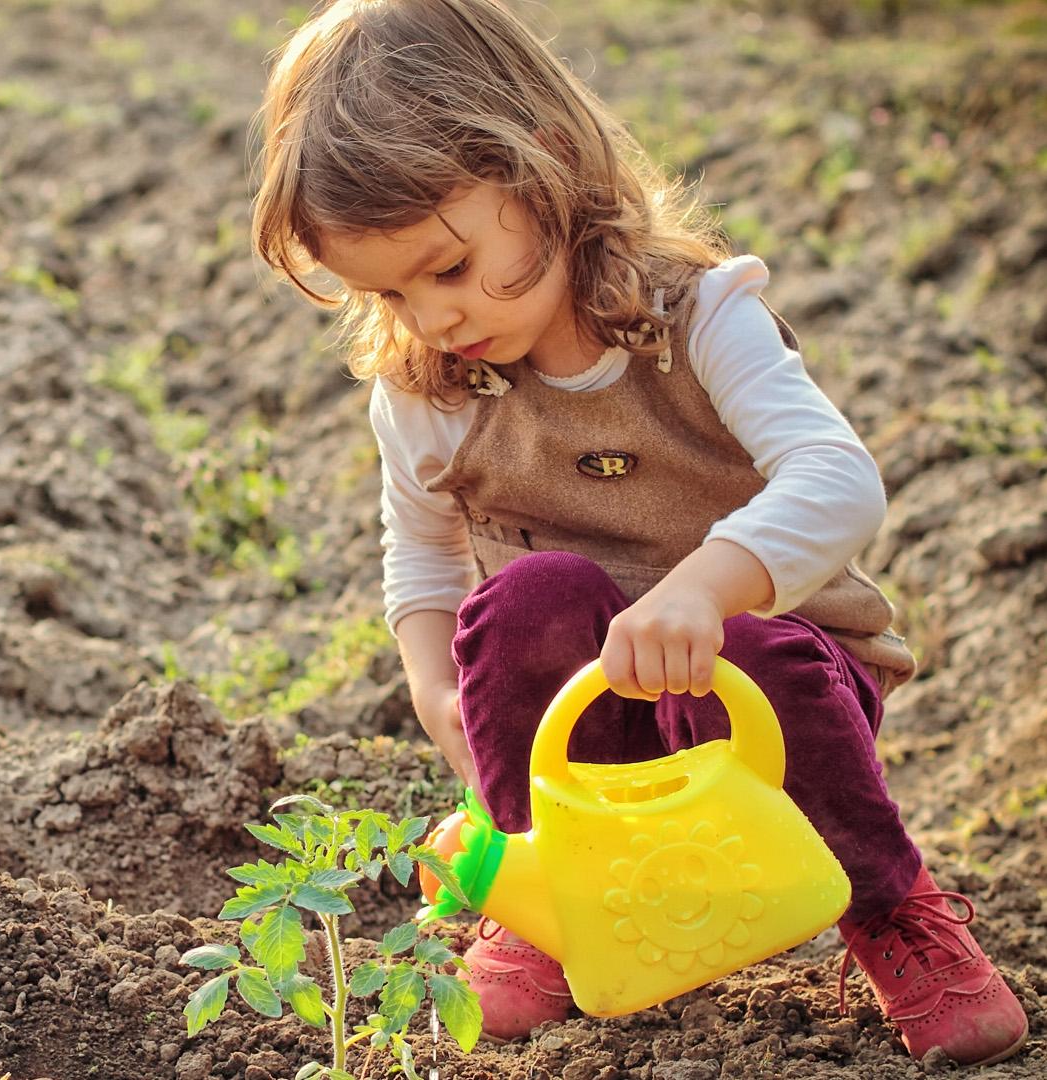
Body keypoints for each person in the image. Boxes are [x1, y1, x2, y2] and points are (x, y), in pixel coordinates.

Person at [250, 0, 1028, 1063]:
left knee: (750, 647)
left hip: (775, 694)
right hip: (582, 723)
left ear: (546, 170)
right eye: (389, 290)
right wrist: (437, 689)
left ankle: (891, 908)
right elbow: (424, 558)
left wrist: (709, 586)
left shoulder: (700, 317)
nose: (433, 316)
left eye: (449, 267)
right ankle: (550, 903)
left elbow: (839, 477)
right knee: (526, 600)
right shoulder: (429, 387)